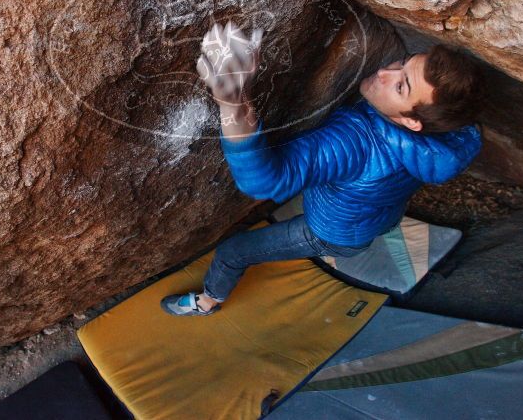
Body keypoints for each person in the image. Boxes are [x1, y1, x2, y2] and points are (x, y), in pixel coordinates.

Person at [161, 21, 485, 316]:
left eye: (400, 87)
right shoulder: (454, 135)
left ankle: (208, 301)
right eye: (403, 63)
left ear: (411, 121)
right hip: (378, 215)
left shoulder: (355, 144)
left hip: (331, 234)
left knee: (234, 251)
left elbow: (265, 182)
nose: (385, 73)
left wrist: (233, 103)